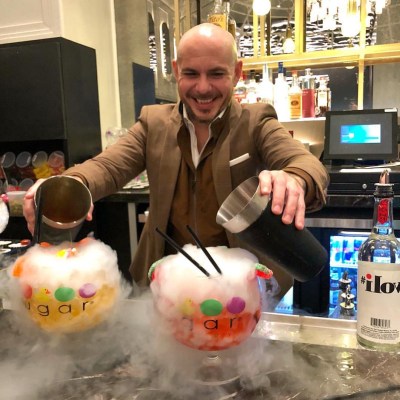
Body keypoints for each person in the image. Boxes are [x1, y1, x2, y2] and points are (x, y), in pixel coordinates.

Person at [23, 23, 329, 296]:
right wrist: (68, 183)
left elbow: (305, 164)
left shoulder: (256, 121)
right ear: (176, 70)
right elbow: (108, 166)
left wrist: (294, 179)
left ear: (237, 72)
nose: (203, 88)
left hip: (243, 290)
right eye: (191, 74)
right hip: (170, 286)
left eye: (217, 74)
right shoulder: (153, 123)